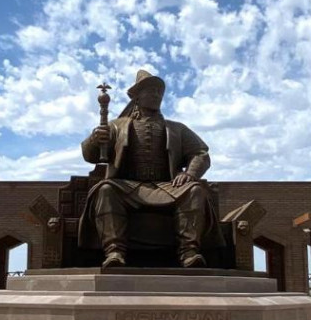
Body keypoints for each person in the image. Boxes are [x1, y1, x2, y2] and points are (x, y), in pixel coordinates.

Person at [78, 69, 224, 269]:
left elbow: (200, 152)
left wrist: (190, 174)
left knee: (195, 190)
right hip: (127, 186)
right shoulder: (117, 126)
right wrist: (95, 140)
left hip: (167, 187)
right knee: (105, 189)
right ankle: (114, 252)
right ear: (137, 96)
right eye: (150, 91)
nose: (156, 95)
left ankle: (189, 253)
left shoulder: (176, 129)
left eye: (159, 92)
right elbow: (90, 155)